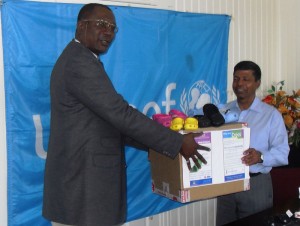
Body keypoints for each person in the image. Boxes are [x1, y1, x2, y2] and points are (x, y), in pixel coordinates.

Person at [42, 3, 210, 226]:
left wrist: (154, 145)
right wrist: (176, 142)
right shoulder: (79, 62)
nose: (108, 32)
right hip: (82, 194)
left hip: (84, 195)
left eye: (113, 28)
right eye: (102, 25)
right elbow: (120, 114)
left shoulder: (83, 59)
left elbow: (110, 122)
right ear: (81, 26)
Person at [216, 61, 290, 225]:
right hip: (226, 186)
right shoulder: (223, 112)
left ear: (257, 83)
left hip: (256, 185)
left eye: (246, 79)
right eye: (236, 79)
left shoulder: (271, 115)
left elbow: (283, 154)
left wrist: (260, 156)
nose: (240, 84)